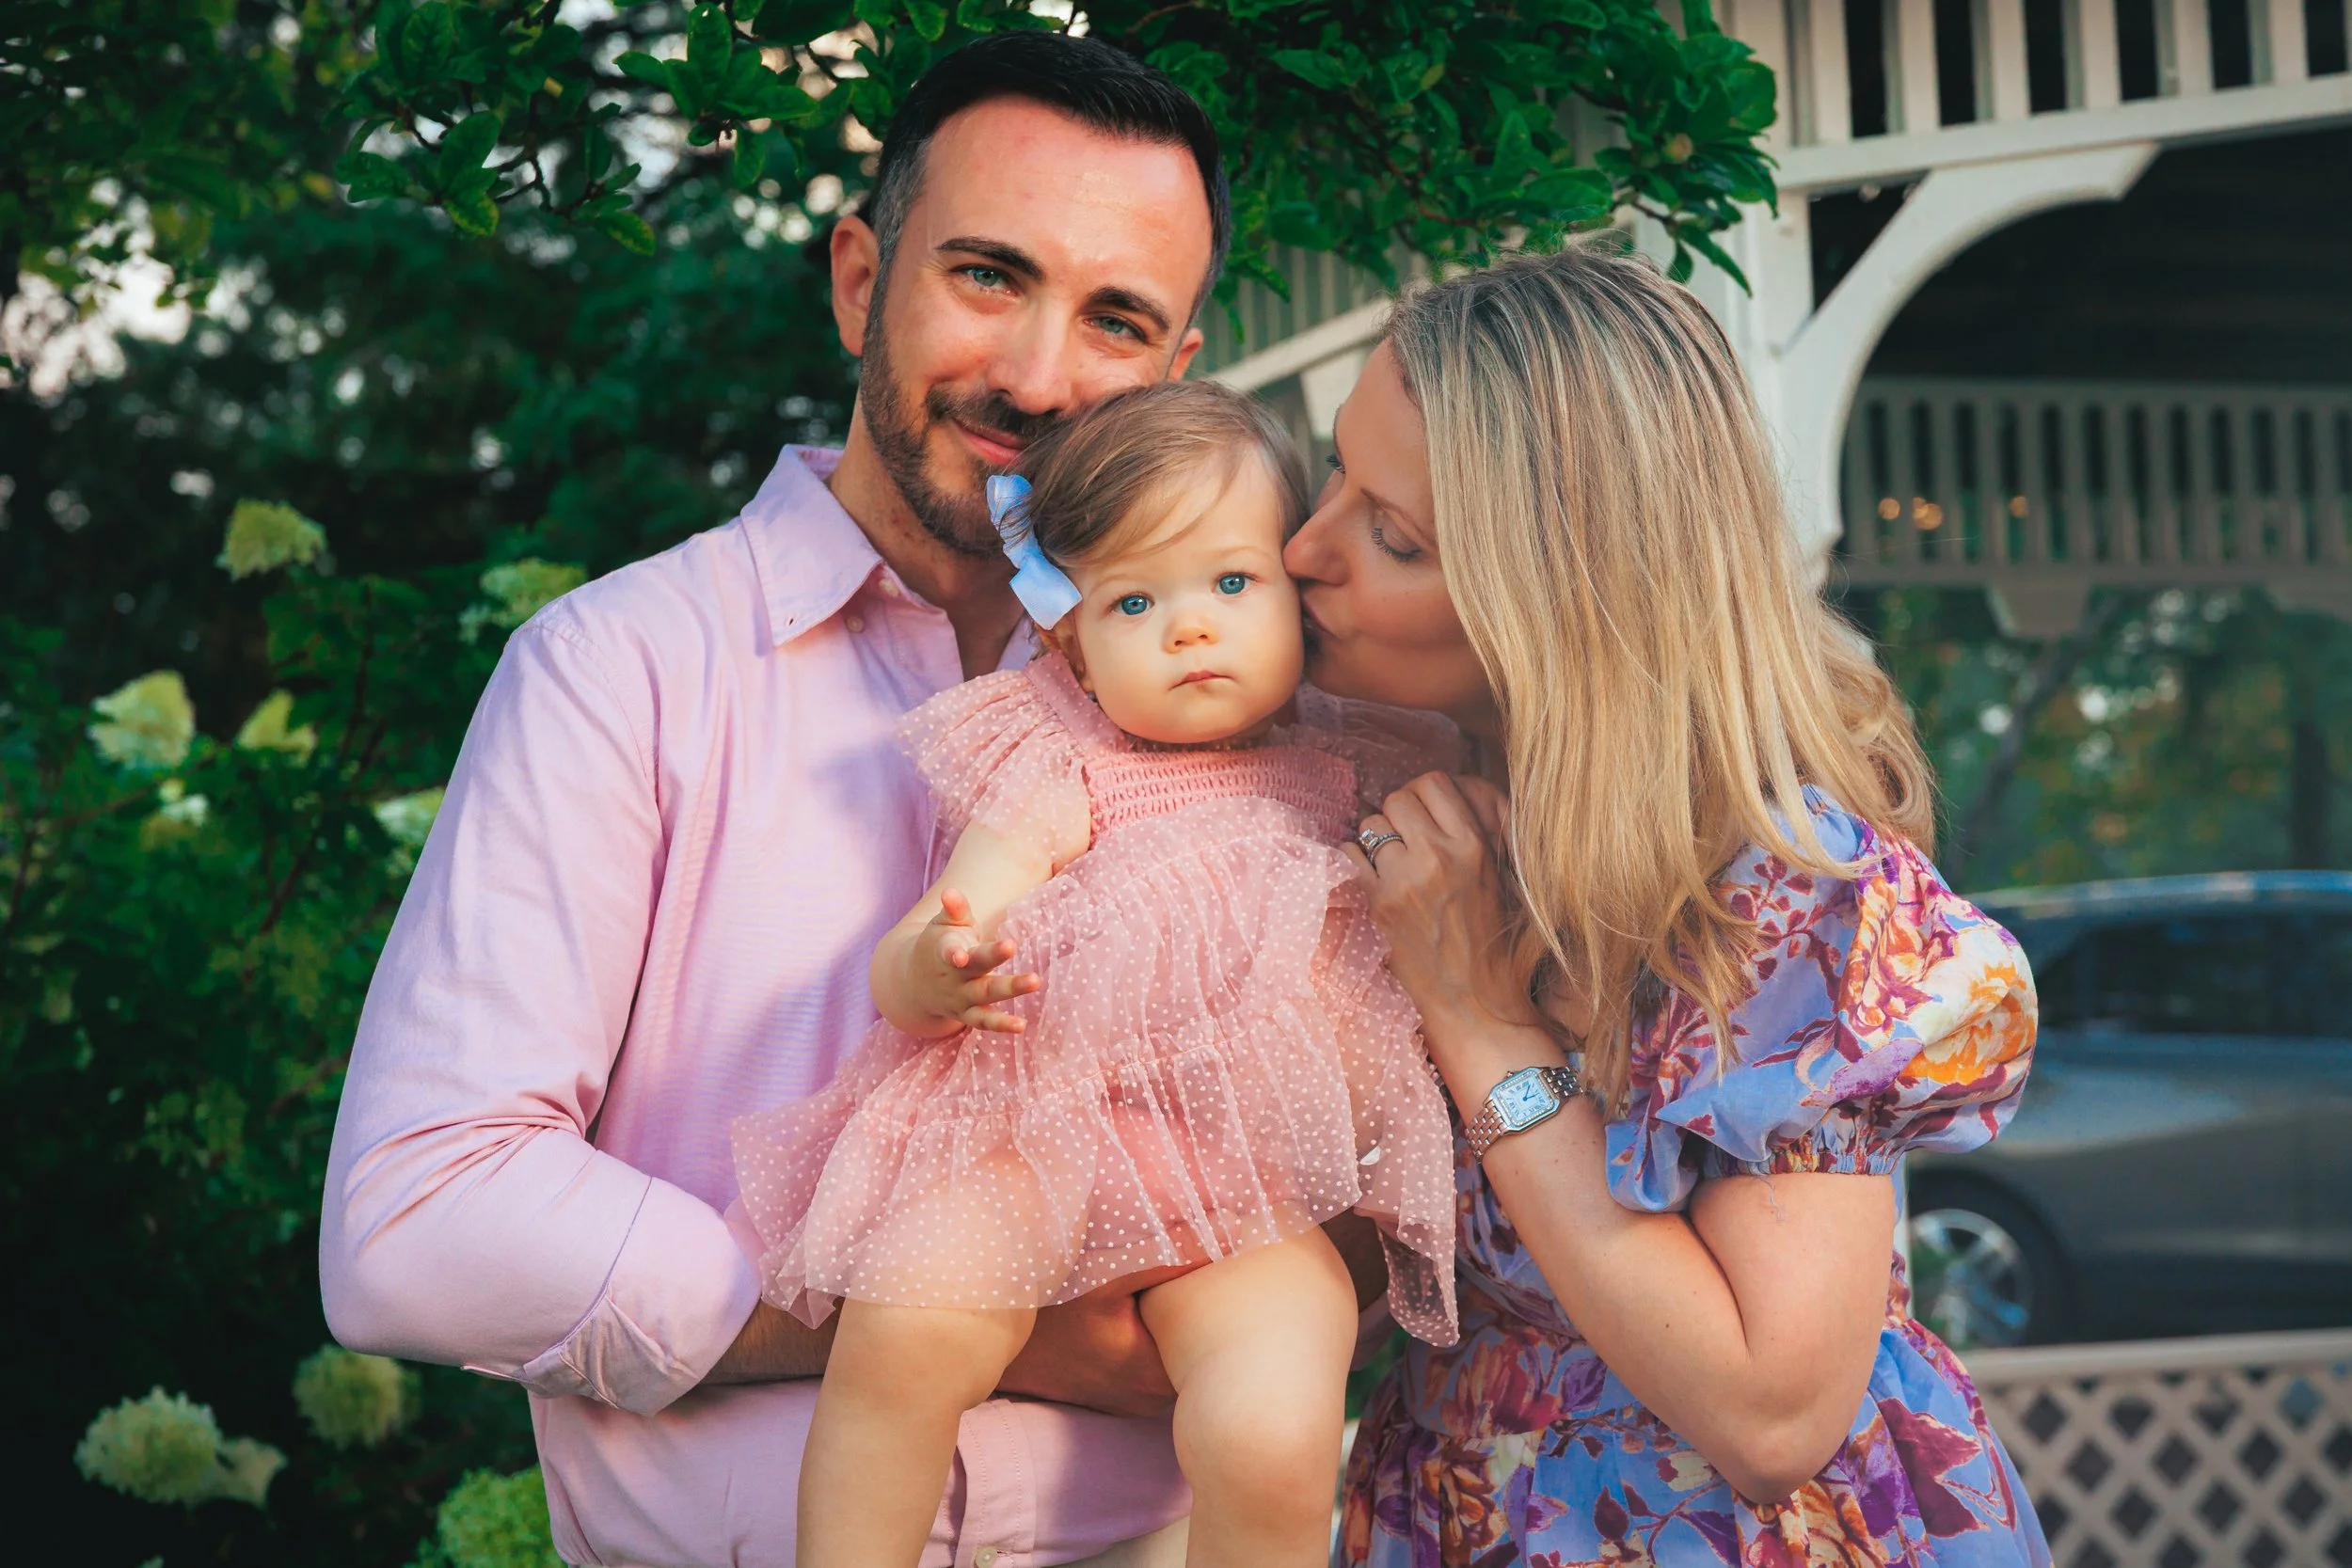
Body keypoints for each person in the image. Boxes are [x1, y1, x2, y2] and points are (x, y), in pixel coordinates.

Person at [319, 33, 1305, 1568]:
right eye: (988, 276)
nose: (1038, 376)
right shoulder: (619, 669)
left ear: (1174, 376)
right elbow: (419, 1218)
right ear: (860, 281)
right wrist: (956, 1313)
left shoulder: (1247, 714)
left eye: (1114, 319)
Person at [1294, 245, 2052, 1565]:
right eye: (1332, 476)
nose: (1305, 547)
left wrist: (1478, 1020)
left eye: (1394, 536)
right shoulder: (1416, 833)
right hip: (1456, 1507)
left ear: (1562, 600)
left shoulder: (1775, 888)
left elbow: (1770, 1413)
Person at [732, 380, 1459, 1568]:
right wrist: (939, 969)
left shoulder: (1354, 765)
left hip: (1252, 1194)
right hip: (1046, 1146)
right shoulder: (1067, 761)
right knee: (902, 1333)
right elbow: (932, 932)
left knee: (1276, 1419)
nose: (1189, 628)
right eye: (1134, 600)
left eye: (1233, 583)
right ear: (1070, 639)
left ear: (1296, 587)